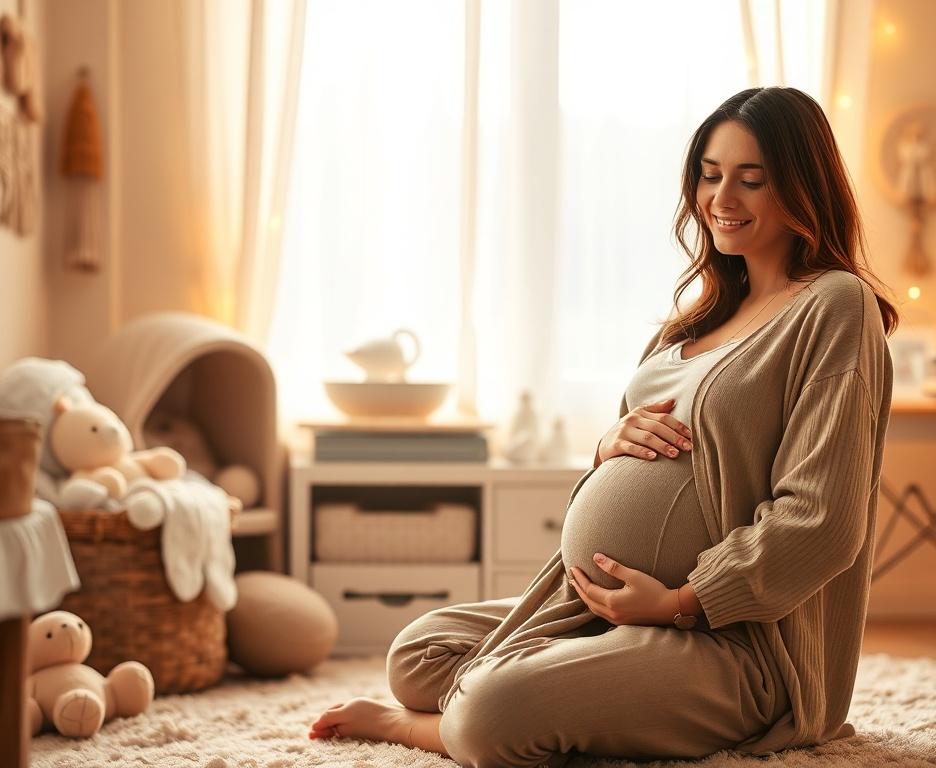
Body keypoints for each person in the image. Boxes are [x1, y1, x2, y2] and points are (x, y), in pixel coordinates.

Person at [308, 86, 898, 767]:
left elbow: (823, 522)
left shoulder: (833, 306)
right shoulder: (697, 319)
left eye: (751, 180)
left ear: (802, 184)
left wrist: (680, 601)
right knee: (417, 653)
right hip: (595, 604)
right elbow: (641, 462)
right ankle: (548, 685)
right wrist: (606, 446)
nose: (721, 199)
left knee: (491, 710)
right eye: (709, 175)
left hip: (737, 644)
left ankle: (425, 728)